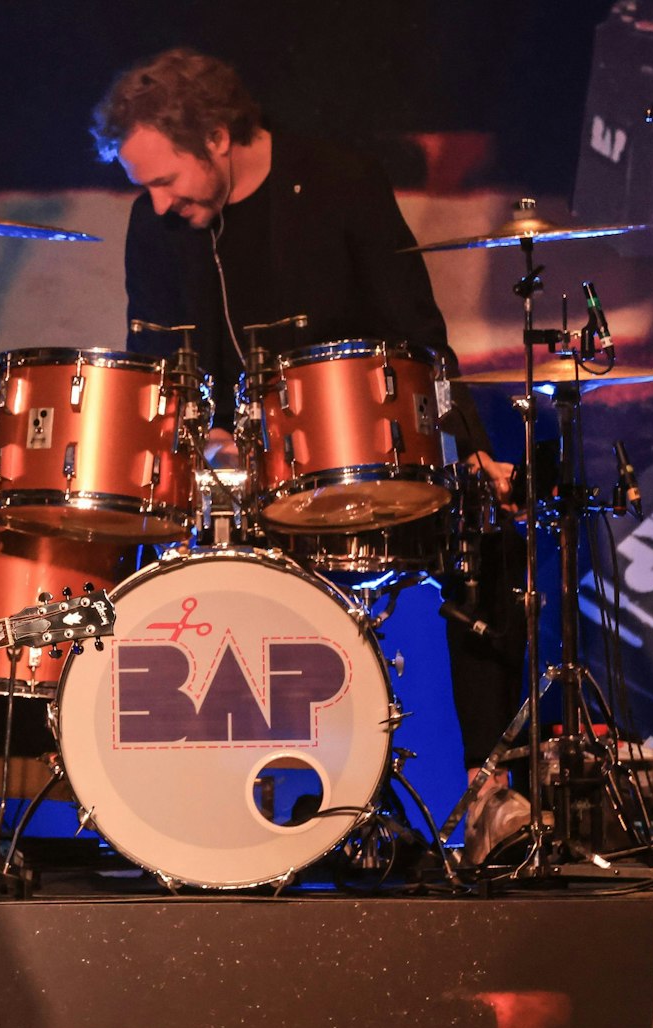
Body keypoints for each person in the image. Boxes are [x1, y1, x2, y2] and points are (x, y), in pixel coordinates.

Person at [90, 47, 526, 834]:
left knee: (485, 545)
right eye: (144, 186)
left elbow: (418, 337)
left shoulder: (339, 182)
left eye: (164, 180)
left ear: (217, 138)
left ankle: (496, 794)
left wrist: (471, 446)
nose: (155, 204)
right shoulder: (152, 226)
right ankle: (240, 814)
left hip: (368, 464)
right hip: (245, 489)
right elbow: (157, 363)